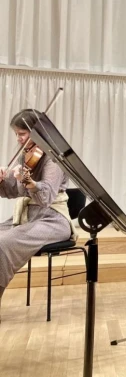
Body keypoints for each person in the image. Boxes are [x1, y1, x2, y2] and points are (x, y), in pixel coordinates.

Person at [0, 109, 74, 323]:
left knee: (4, 244)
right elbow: (14, 191)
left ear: (37, 132)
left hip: (53, 219)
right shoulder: (27, 156)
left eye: (22, 133)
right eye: (16, 134)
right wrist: (3, 180)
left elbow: (46, 197)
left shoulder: (53, 158)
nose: (18, 138)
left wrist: (29, 182)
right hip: (29, 216)